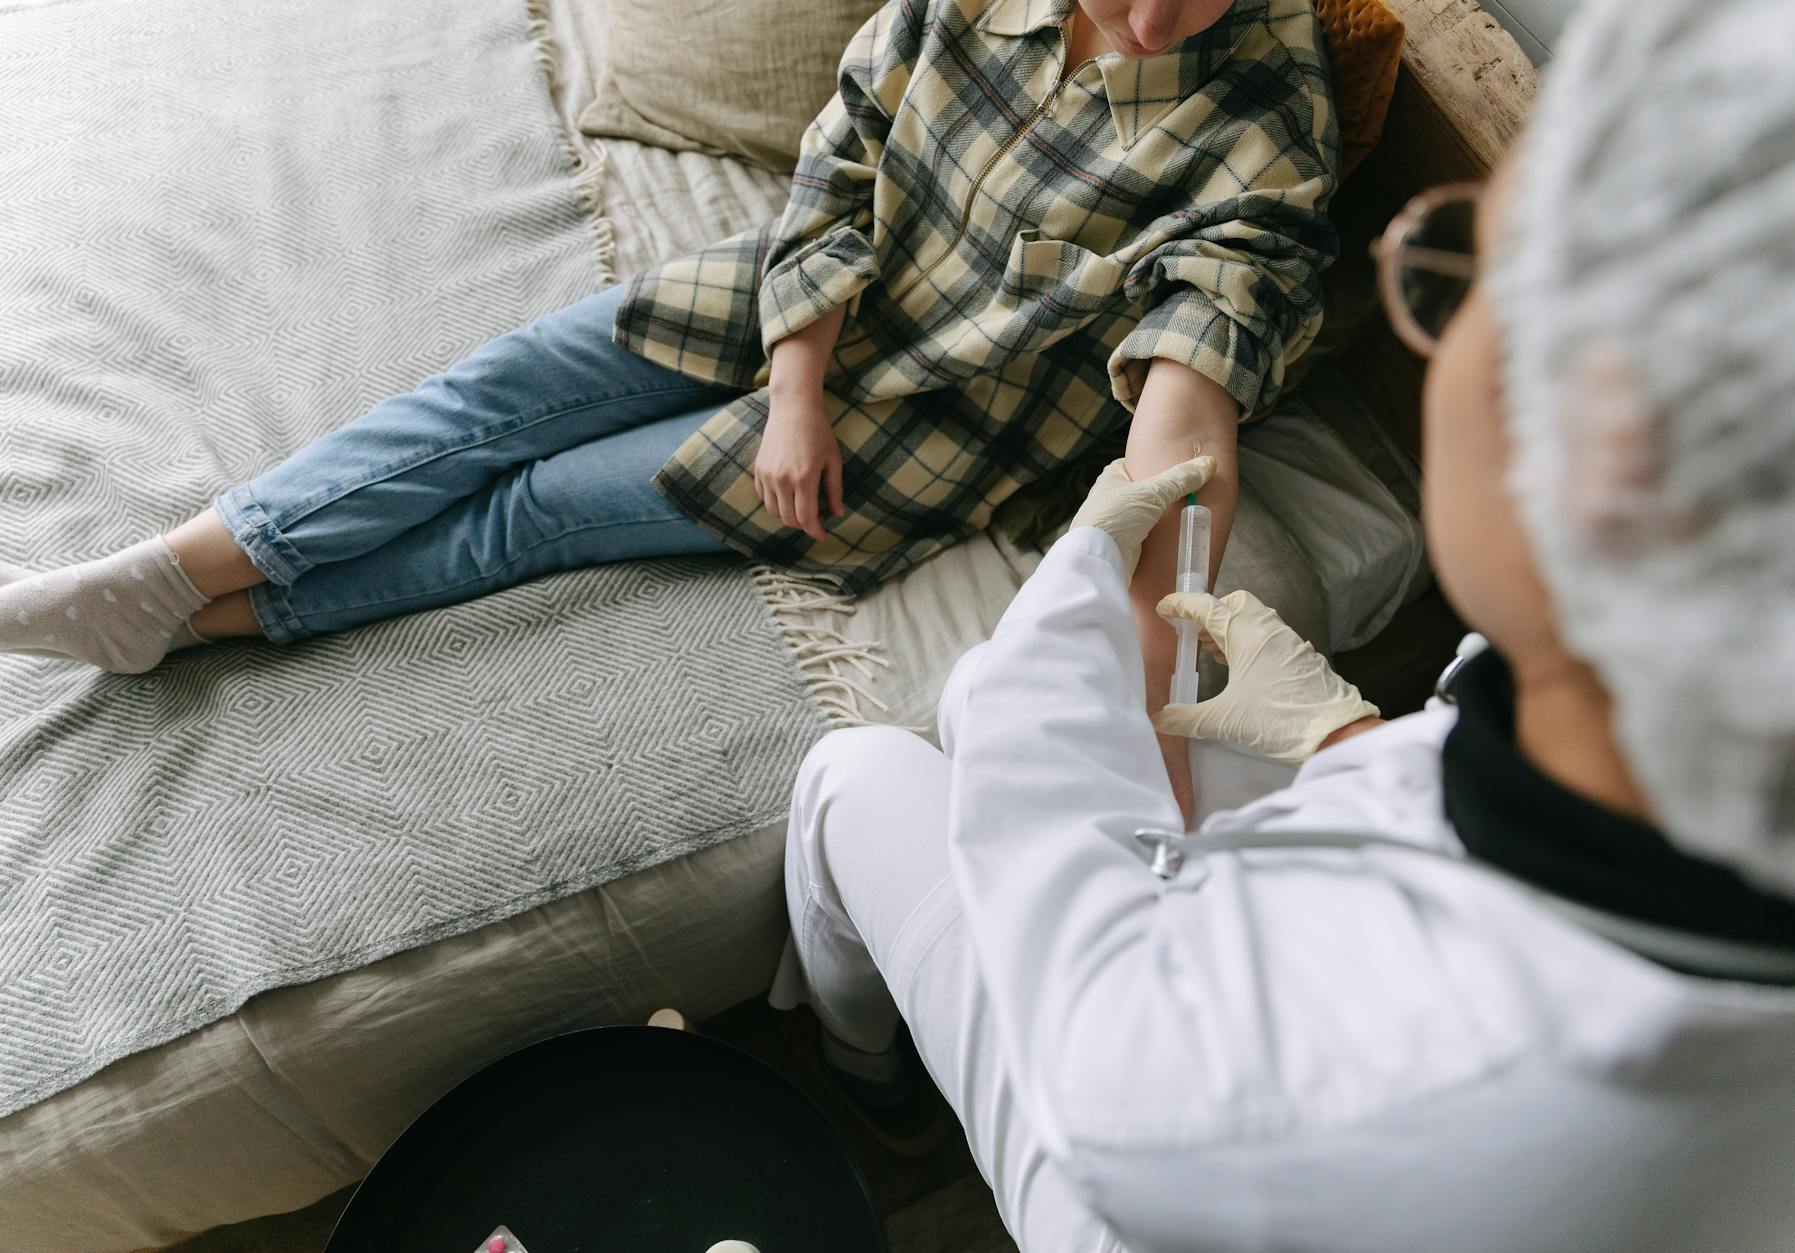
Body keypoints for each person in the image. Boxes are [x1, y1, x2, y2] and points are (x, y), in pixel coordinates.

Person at [769, 0, 1795, 1248]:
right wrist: (1347, 731)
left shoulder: (1229, 1090)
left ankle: (867, 1078)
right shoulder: (1783, 747)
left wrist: (1073, 587)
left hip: (1135, 1188)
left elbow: (1111, 1076)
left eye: (1465, 269)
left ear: (1603, 444)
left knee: (876, 758)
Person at [0, 0, 1337, 814]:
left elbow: (1188, 427)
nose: (1153, 20)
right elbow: (843, 155)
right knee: (499, 388)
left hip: (925, 430)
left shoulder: (1269, 125)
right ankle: (165, 572)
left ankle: (194, 619)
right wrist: (795, 381)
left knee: (532, 511)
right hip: (802, 298)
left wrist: (1166, 692)